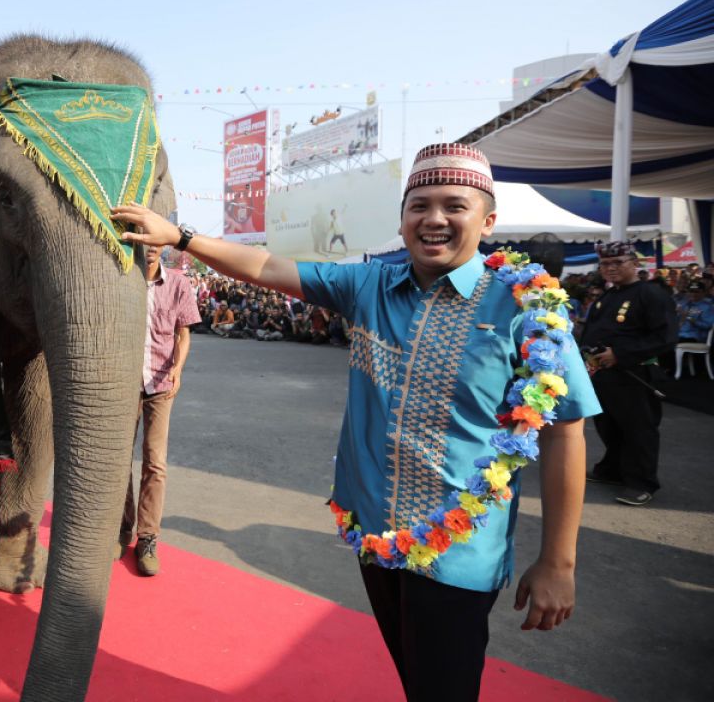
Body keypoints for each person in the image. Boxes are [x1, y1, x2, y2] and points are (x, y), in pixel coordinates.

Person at [113, 143, 600, 702]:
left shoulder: (526, 309)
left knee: (444, 687)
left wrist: (558, 562)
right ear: (402, 219)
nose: (434, 219)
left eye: (454, 206)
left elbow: (565, 432)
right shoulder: (367, 287)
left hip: (461, 551)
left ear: (488, 220)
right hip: (374, 532)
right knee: (415, 677)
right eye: (419, 205)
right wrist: (181, 237)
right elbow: (269, 267)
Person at [119, 243, 201, 576]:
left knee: (155, 462)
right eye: (145, 242)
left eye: (156, 242)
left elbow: (183, 334)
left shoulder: (179, 283)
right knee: (119, 459)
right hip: (124, 385)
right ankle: (122, 528)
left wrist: (178, 368)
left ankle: (148, 537)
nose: (150, 248)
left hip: (162, 384)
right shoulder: (124, 278)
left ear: (163, 246)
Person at [578, 242, 678, 507]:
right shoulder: (607, 295)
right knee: (609, 425)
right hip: (604, 374)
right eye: (605, 264)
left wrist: (620, 353)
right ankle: (612, 470)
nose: (610, 269)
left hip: (635, 374)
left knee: (638, 430)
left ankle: (642, 483)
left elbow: (665, 337)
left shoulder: (651, 294)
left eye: (617, 263)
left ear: (635, 264)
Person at [675, 279, 714, 346]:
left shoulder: (707, 307)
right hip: (678, 334)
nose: (693, 294)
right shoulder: (684, 304)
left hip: (695, 337)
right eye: (691, 291)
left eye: (697, 292)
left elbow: (708, 326)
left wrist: (689, 318)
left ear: (703, 293)